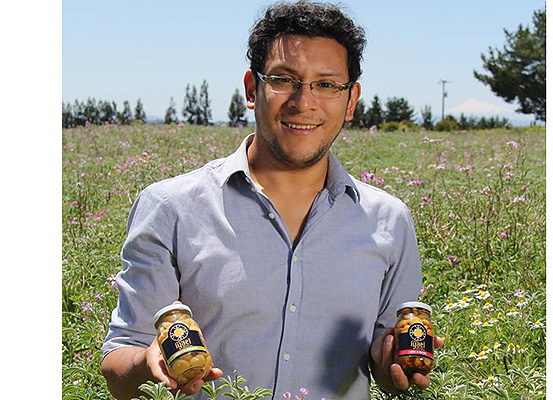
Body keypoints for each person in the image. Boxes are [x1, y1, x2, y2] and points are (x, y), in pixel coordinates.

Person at [101, 1, 442, 399]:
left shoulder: (390, 220)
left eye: (327, 85)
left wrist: (393, 365)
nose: (303, 101)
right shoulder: (170, 208)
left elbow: (386, 364)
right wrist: (147, 364)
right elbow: (118, 367)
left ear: (351, 101)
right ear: (252, 89)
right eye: (283, 79)